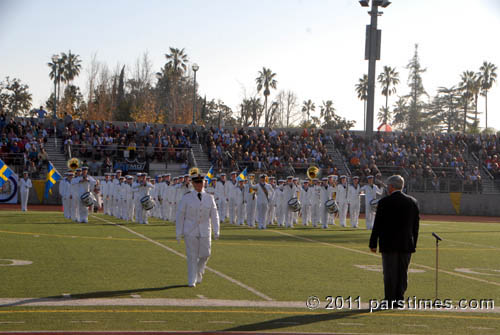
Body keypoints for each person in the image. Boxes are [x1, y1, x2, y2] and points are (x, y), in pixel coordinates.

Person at [369, 175, 420, 307]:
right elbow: (415, 226)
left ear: (391, 187)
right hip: (406, 243)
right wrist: (413, 243)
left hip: (389, 243)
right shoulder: (412, 202)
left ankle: (389, 299)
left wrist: (373, 243)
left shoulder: (384, 202)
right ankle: (400, 299)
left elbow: (378, 225)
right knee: (403, 272)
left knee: (390, 272)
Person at [176, 173, 220, 287]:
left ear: (204, 183)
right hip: (190, 230)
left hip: (205, 230)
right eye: (196, 182)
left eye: (201, 182)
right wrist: (178, 232)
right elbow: (180, 215)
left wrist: (216, 230)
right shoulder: (187, 197)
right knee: (192, 256)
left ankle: (199, 271)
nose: (199, 185)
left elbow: (215, 215)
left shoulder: (209, 197)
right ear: (193, 183)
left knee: (206, 254)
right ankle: (192, 280)